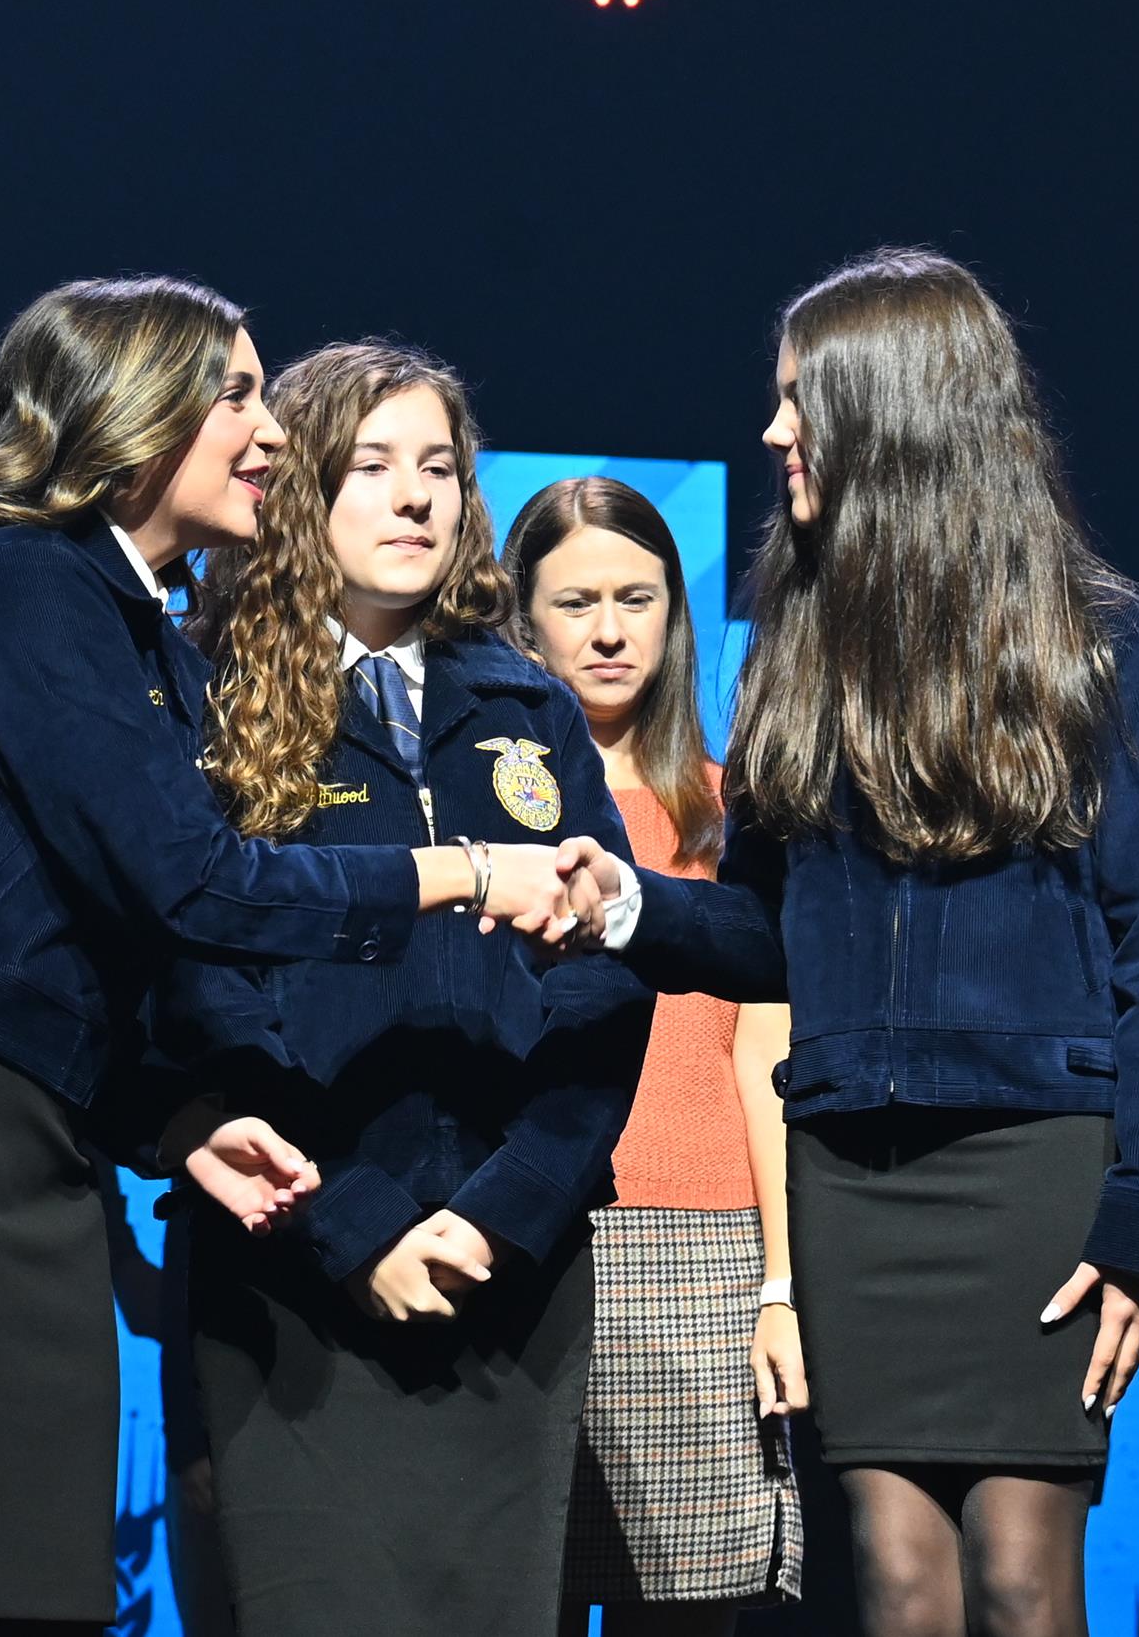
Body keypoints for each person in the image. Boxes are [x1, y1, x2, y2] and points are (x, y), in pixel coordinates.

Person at [0, 280, 602, 1634]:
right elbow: (194, 885)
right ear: (135, 415)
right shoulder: (22, 579)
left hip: (14, 1096)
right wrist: (465, 870)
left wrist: (179, 1119)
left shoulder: (140, 638)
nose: (270, 432)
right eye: (236, 395)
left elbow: (113, 942)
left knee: (17, 1569)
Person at [574, 250, 1139, 1637]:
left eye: (799, 397)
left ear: (897, 408)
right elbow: (763, 932)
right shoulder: (794, 645)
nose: (773, 431)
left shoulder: (1100, 641)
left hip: (1036, 1170)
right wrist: (627, 903)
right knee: (898, 1587)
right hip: (852, 1174)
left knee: (1021, 1584)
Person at [177, 345, 652, 1636]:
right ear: (295, 486)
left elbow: (605, 983)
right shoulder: (206, 696)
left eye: (438, 467)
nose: (414, 497)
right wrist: (356, 1222)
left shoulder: (530, 706)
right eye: (372, 465)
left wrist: (508, 1208)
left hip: (512, 1276)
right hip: (293, 1264)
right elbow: (195, 986)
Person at [503, 476, 805, 1635]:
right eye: (575, 602)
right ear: (522, 618)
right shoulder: (475, 809)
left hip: (701, 1255)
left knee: (683, 1608)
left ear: (677, 615)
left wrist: (780, 1284)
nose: (609, 631)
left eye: (636, 599)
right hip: (522, 1234)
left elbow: (764, 1060)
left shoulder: (731, 811)